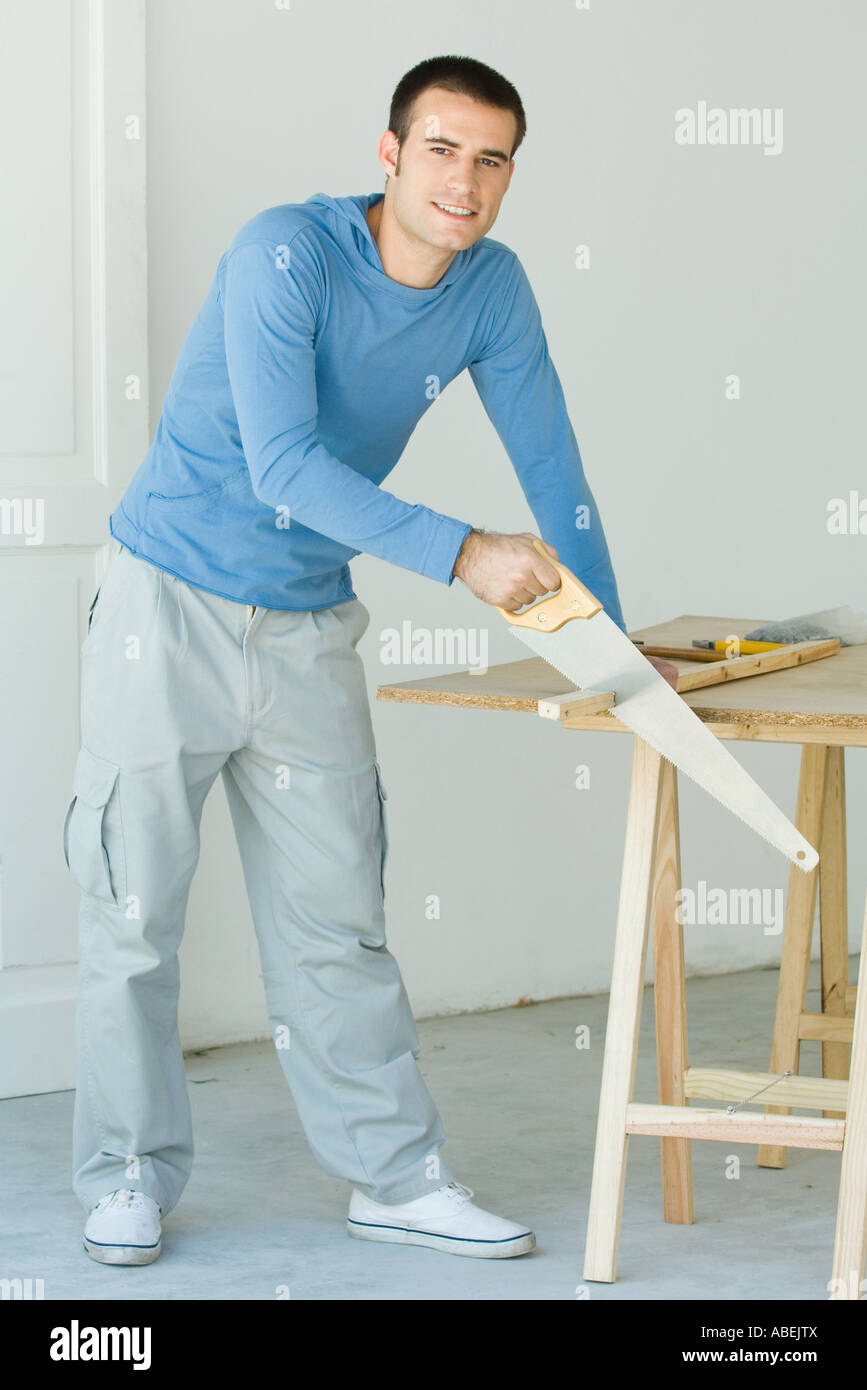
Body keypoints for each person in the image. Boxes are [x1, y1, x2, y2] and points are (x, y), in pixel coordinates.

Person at [64, 53, 677, 1270]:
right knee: (132, 911)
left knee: (339, 925)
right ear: (389, 154)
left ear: (509, 178)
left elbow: (552, 466)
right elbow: (284, 466)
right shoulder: (282, 254)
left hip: (304, 625)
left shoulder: (492, 291)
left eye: (492, 158)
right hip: (165, 601)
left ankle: (397, 1178)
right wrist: (463, 557)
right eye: (442, 149)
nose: (466, 180)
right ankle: (126, 1174)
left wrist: (608, 638)